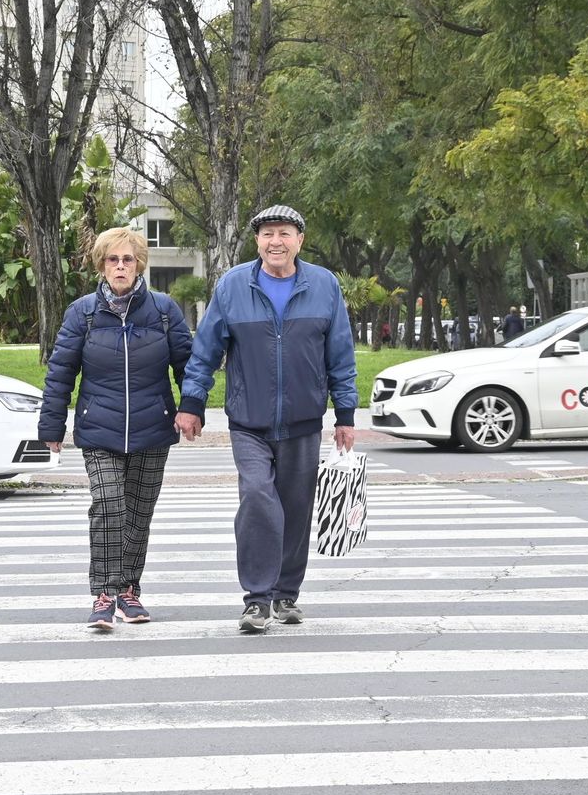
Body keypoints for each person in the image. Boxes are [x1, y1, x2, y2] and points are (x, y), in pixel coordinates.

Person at [174, 204, 359, 632]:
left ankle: (286, 595)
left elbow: (341, 356)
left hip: (304, 420)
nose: (276, 241)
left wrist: (345, 414)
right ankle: (257, 599)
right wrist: (192, 404)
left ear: (300, 240)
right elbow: (205, 352)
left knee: (296, 509)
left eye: (285, 233)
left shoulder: (325, 286)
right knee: (258, 500)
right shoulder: (234, 286)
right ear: (256, 241)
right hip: (249, 421)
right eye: (267, 234)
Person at [38, 226, 193, 629]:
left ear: (139, 263)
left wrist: (191, 409)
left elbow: (188, 367)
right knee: (108, 507)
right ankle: (104, 594)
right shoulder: (83, 312)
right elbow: (60, 373)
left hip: (152, 427)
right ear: (102, 265)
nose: (120, 266)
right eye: (113, 259)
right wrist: (51, 424)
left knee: (138, 514)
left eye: (127, 259)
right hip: (99, 428)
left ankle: (129, 592)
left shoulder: (163, 310)